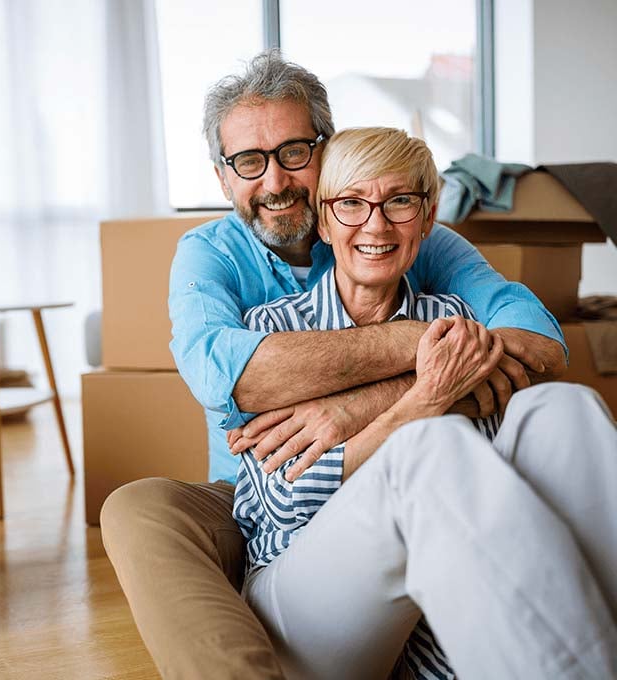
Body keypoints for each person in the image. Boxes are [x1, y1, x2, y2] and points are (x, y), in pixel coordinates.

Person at [101, 50, 567, 679]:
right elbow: (232, 381)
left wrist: (356, 404)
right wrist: (426, 343)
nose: (274, 182)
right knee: (135, 510)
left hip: (399, 476)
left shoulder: (394, 224)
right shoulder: (208, 256)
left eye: (294, 152)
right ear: (222, 178)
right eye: (248, 162)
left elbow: (537, 345)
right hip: (253, 490)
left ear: (327, 150)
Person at [231, 126, 617, 679]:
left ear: (429, 216)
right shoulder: (274, 331)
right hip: (302, 594)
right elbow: (286, 502)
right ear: (322, 217)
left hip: (440, 612)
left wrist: (359, 414)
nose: (377, 223)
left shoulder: (462, 320)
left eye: (400, 202)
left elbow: (490, 466)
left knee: (563, 409)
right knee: (430, 443)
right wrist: (425, 399)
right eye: (352, 203)